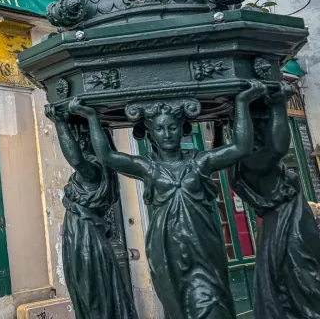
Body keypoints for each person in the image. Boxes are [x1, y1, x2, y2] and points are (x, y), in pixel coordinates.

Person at [69, 80, 266, 319]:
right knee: (177, 308)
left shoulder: (200, 162)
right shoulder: (148, 167)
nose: (167, 134)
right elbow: (108, 156)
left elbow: (241, 148)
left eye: (172, 127)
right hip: (165, 248)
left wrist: (243, 102)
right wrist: (91, 118)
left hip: (202, 245)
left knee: (212, 305)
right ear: (151, 133)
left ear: (181, 127)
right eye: (160, 129)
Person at [229, 82, 320, 319]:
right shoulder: (250, 163)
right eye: (261, 121)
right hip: (288, 232)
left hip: (294, 226)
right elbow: (278, 147)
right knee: (302, 286)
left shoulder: (255, 162)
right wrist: (279, 106)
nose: (266, 125)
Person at [49, 106, 138, 319]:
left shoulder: (95, 172)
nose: (76, 141)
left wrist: (60, 124)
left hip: (85, 239)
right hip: (80, 237)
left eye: (78, 136)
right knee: (87, 292)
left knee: (92, 292)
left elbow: (76, 160)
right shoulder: (99, 171)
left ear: (86, 141)